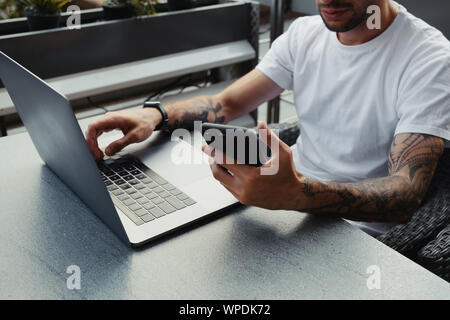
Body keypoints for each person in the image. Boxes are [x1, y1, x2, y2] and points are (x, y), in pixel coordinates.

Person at [85, 0, 450, 237]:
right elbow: (226, 103)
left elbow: (405, 195)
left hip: (352, 233)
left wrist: (298, 194)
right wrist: (155, 114)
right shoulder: (304, 35)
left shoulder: (430, 60)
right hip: (278, 208)